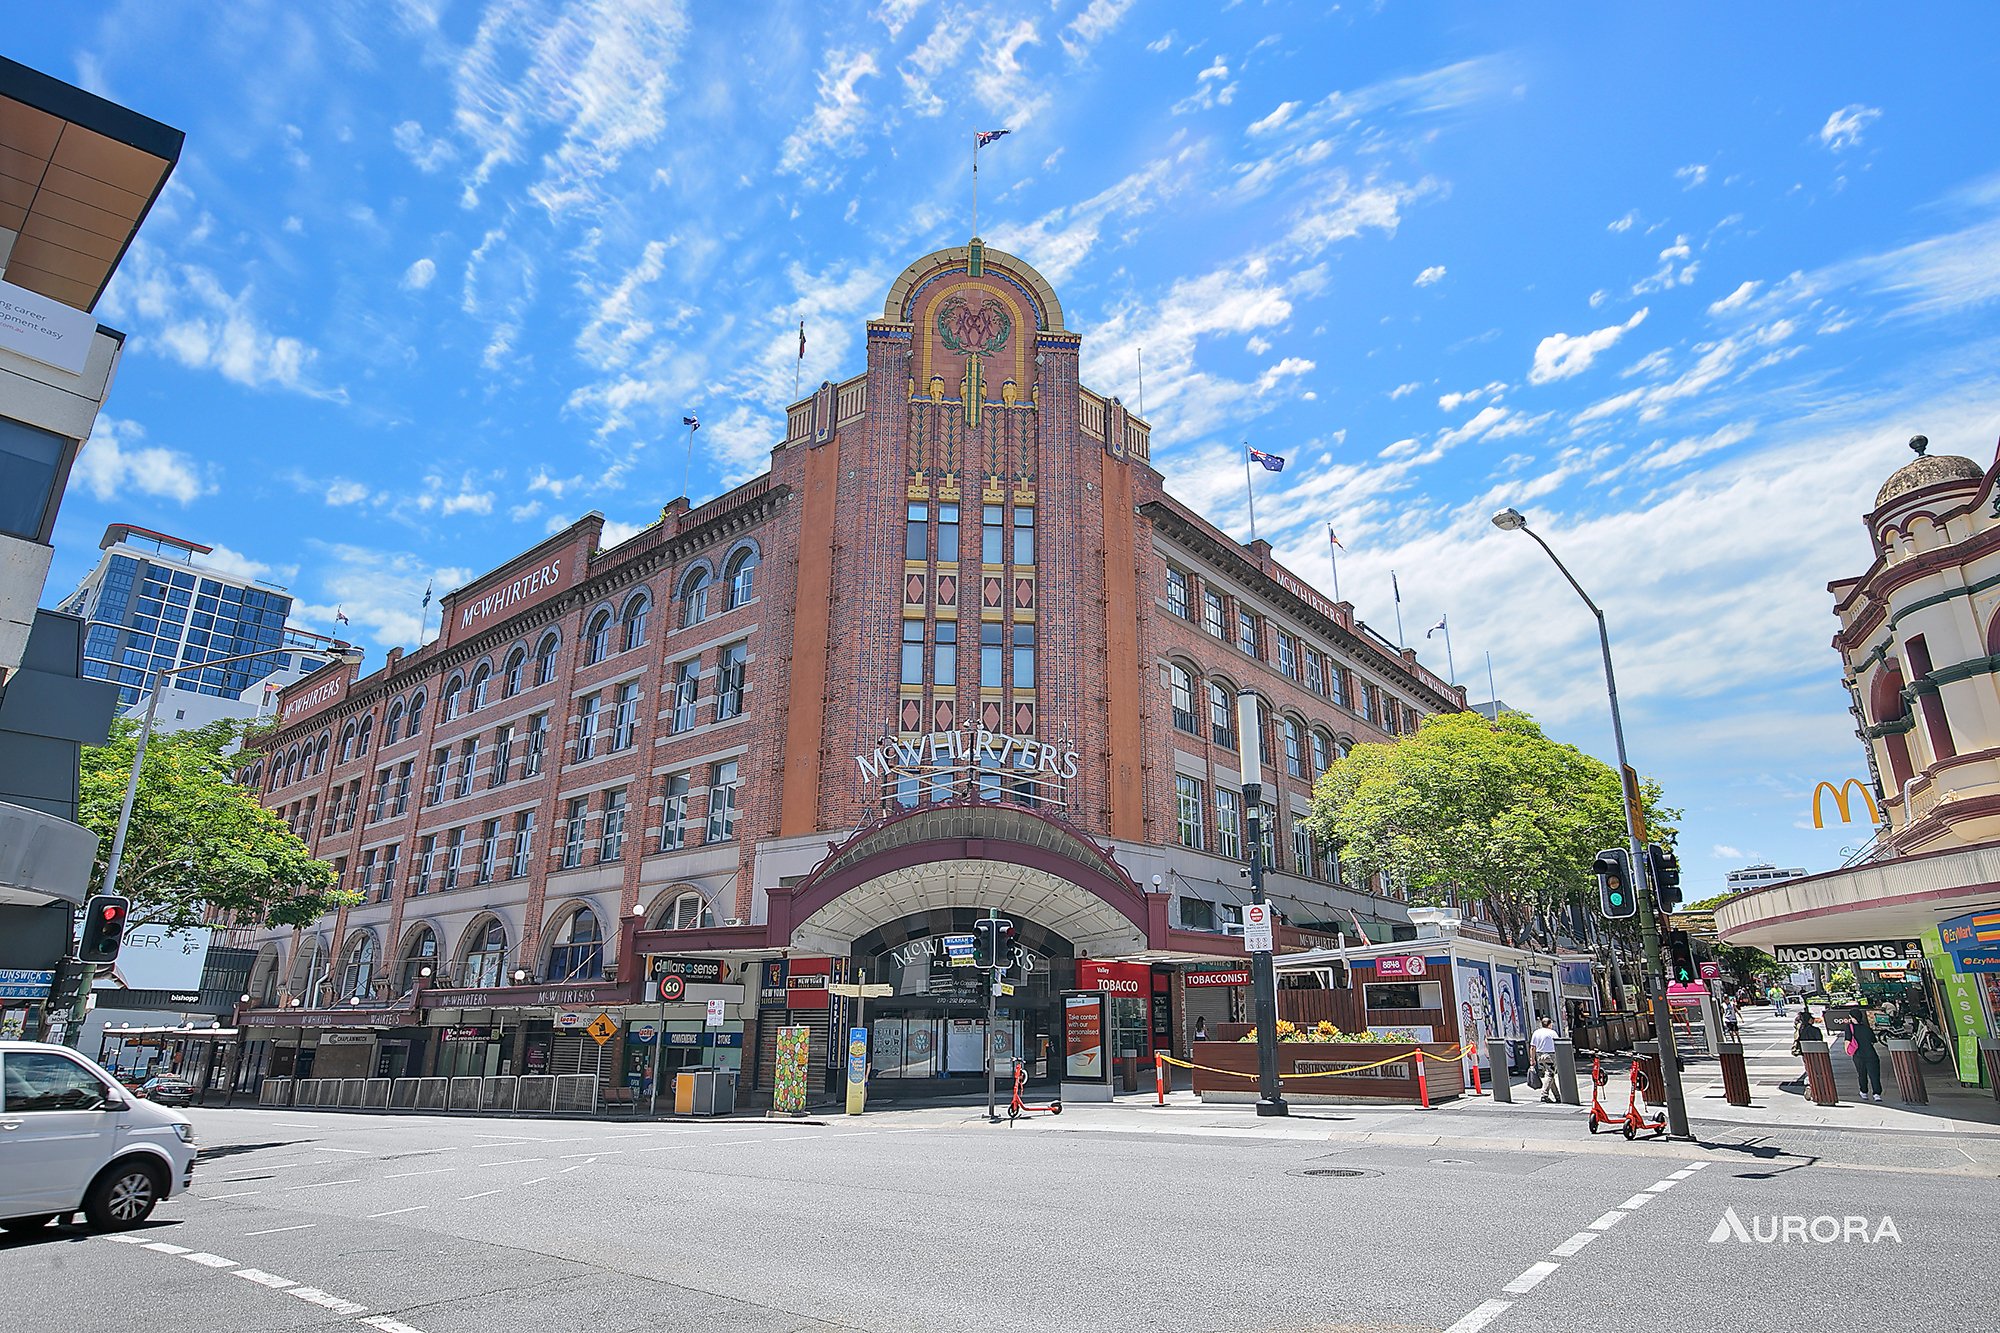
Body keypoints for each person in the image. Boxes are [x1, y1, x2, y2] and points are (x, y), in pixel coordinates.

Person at [1843, 1006, 1884, 1102]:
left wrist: (1848, 1051)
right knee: (1874, 1075)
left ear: (1852, 1017)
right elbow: (1873, 1040)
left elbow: (1847, 1040)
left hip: (1858, 1055)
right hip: (1871, 1054)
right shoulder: (1866, 1028)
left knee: (1861, 1074)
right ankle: (1877, 1094)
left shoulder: (1849, 1027)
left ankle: (1864, 1092)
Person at [1781, 1007, 1823, 1091]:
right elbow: (1820, 1041)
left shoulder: (1800, 1031)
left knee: (1809, 1067)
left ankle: (1810, 1082)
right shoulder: (1815, 1030)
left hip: (1805, 1053)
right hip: (1817, 1053)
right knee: (1817, 1068)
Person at [1529, 1014, 1559, 1103]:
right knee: (1550, 1074)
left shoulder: (1536, 1032)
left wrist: (1532, 1058)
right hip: (1550, 1055)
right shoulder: (1552, 1033)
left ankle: (1557, 1096)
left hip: (1540, 1055)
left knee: (1549, 1075)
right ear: (1549, 1024)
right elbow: (1558, 1045)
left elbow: (1532, 1047)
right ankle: (1544, 1095)